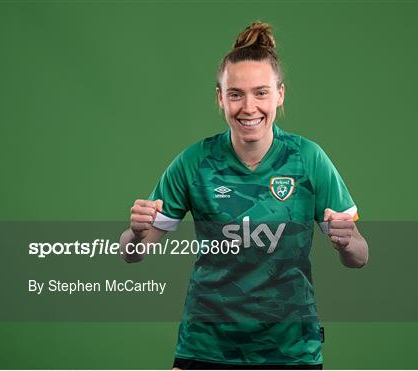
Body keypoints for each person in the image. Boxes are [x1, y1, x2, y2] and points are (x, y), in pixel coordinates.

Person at [119, 21, 369, 370]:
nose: (249, 107)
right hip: (205, 346)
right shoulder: (194, 162)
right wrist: (136, 233)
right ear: (221, 98)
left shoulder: (308, 158)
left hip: (290, 350)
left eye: (261, 92)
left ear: (280, 94)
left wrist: (346, 241)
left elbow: (359, 256)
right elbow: (133, 254)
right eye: (236, 94)